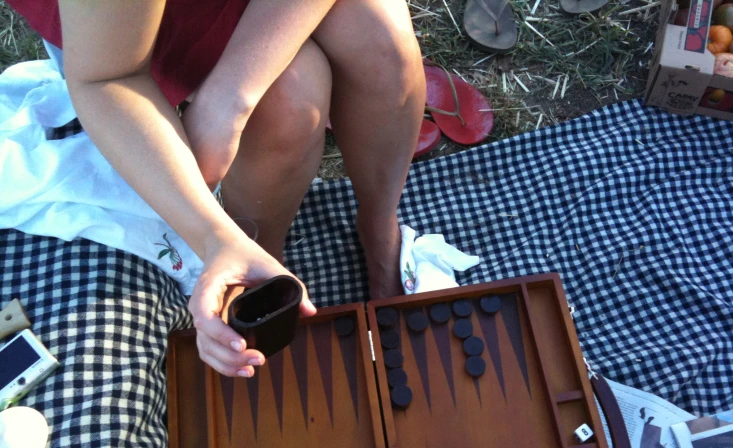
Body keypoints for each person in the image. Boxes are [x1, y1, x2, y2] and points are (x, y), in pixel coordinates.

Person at [7, 0, 426, 377]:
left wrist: (231, 95)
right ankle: (255, 259)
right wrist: (213, 237)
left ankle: (379, 221)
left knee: (382, 42)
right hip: (115, 31)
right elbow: (107, 77)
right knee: (289, 101)